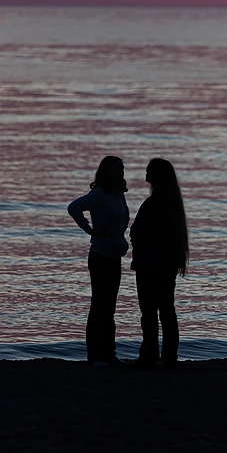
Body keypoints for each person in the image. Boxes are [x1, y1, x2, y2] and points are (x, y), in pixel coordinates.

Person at [68, 156, 130, 368]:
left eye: (122, 169)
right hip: (100, 256)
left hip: (114, 257)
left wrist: (119, 236)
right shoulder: (98, 195)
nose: (121, 172)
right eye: (117, 169)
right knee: (99, 306)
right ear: (107, 171)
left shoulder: (118, 194)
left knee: (110, 307)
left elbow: (124, 218)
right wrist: (90, 229)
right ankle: (95, 356)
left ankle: (110, 353)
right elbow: (74, 207)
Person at [129, 158, 189, 370]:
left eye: (149, 171)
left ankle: (149, 355)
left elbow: (137, 233)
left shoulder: (152, 204)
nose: (145, 174)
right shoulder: (172, 204)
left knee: (149, 312)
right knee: (166, 310)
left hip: (149, 264)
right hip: (167, 264)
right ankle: (169, 356)